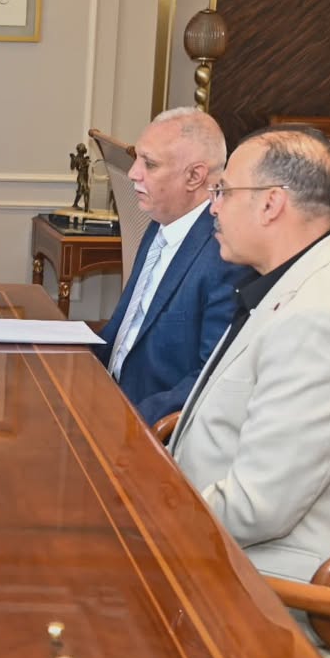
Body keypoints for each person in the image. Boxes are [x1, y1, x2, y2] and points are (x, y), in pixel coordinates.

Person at [170, 126, 330, 608]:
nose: (213, 207)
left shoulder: (324, 319)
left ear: (271, 204)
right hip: (228, 545)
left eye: (223, 191)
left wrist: (145, 519)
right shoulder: (307, 278)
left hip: (284, 589)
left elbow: (257, 508)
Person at [95, 108, 251, 425]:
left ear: (194, 177)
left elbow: (210, 377)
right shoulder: (162, 219)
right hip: (106, 393)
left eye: (149, 164)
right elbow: (126, 327)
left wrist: (125, 421)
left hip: (146, 422)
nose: (133, 173)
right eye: (137, 159)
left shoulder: (226, 254)